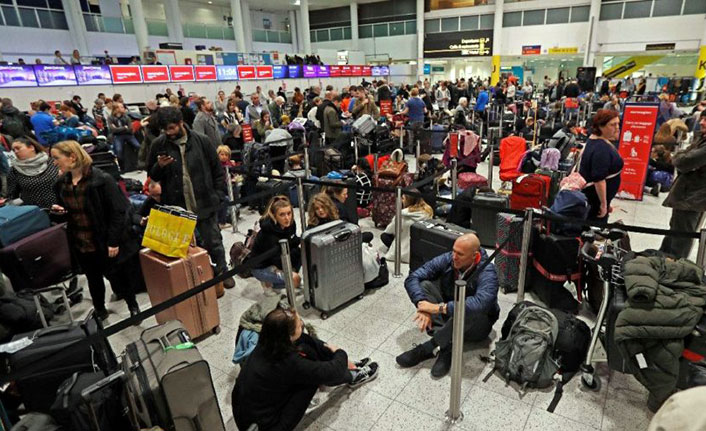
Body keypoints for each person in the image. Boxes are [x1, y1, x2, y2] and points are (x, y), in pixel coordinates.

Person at [231, 307, 379, 431]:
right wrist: (340, 353)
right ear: (288, 334)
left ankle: (350, 365)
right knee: (312, 379)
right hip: (267, 427)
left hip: (244, 414)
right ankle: (354, 376)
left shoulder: (268, 342)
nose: (302, 324)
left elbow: (306, 340)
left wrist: (334, 355)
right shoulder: (289, 362)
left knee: (306, 345)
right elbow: (332, 373)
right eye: (299, 325)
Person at [50, 140, 141, 321]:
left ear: (72, 157)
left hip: (104, 239)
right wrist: (59, 212)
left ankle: (133, 306)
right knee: (93, 278)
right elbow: (67, 212)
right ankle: (100, 309)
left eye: (56, 158)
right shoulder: (61, 183)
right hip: (80, 240)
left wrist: (113, 241)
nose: (54, 162)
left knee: (118, 276)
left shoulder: (102, 180)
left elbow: (119, 212)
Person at [147, 107, 235, 289]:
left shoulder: (202, 141)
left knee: (213, 242)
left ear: (180, 123)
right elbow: (151, 174)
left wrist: (218, 195)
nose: (168, 133)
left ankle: (222, 271)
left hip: (204, 202)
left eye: (171, 128)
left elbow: (218, 171)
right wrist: (159, 166)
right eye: (165, 129)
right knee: (181, 247)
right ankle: (188, 278)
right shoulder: (159, 144)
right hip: (176, 205)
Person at [396, 233, 499, 377]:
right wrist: (422, 304)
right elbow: (413, 277)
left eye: (460, 254)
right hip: (450, 315)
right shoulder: (448, 259)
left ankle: (429, 346)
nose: (454, 256)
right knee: (424, 285)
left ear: (475, 257)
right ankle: (446, 346)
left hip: (477, 326)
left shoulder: (488, 271)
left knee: (469, 308)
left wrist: (439, 308)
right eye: (454, 251)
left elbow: (481, 303)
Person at [660, 110, 706, 258]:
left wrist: (680, 158)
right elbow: (681, 156)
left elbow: (682, 161)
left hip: (692, 198)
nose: (701, 122)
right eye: (702, 119)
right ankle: (664, 261)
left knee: (681, 237)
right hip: (687, 195)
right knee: (674, 231)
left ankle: (674, 268)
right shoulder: (701, 139)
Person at [249, 196, 302, 295]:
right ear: (274, 216)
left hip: (279, 258)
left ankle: (276, 282)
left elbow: (293, 240)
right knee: (295, 279)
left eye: (289, 213)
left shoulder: (291, 224)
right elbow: (276, 259)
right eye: (282, 215)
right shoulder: (267, 233)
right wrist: (290, 270)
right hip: (261, 267)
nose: (287, 218)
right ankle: (269, 283)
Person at [579, 109, 624, 222]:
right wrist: (603, 204)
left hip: (596, 198)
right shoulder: (600, 148)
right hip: (595, 201)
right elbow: (599, 179)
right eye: (613, 125)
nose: (617, 127)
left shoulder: (596, 141)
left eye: (618, 123)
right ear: (600, 126)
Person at [380, 191, 433, 264]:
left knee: (384, 236)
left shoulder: (402, 214)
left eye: (403, 198)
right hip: (421, 249)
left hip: (402, 250)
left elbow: (389, 230)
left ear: (408, 200)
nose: (401, 200)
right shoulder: (428, 211)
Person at [7, 137, 59, 208]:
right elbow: (12, 195)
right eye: (13, 150)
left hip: (60, 207)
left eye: (18, 148)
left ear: (31, 147)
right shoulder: (14, 170)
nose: (15, 152)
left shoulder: (51, 162)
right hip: (35, 212)